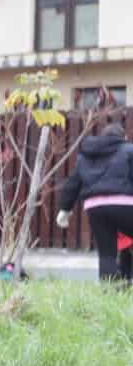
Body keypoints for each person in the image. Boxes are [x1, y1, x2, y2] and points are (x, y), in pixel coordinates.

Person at [56, 121, 133, 282]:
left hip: (95, 207)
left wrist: (65, 209)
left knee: (106, 253)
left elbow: (73, 182)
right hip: (125, 204)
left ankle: (110, 291)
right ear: (124, 137)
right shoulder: (128, 150)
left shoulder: (86, 155)